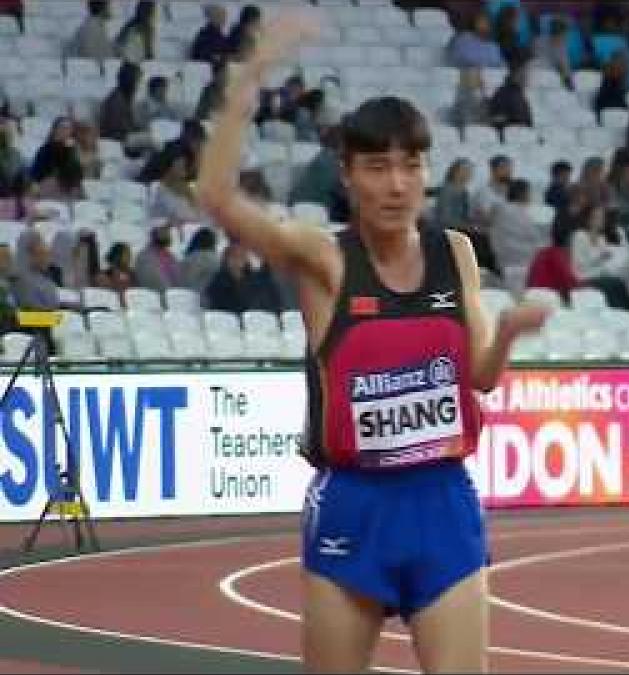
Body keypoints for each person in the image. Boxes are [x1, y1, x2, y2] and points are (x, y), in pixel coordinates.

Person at [194, 14, 548, 673]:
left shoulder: (456, 253)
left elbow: (481, 377)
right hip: (355, 504)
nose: (396, 183)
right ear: (348, 174)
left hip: (443, 502)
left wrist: (506, 334)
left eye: (410, 165)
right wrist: (248, 78)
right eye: (378, 166)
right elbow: (216, 196)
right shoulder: (324, 260)